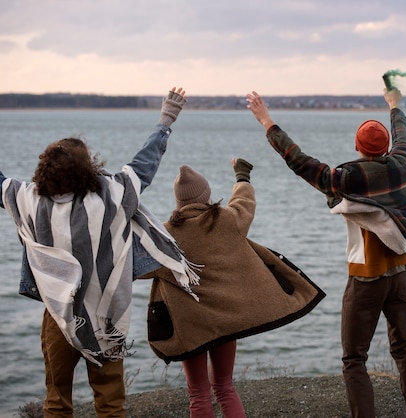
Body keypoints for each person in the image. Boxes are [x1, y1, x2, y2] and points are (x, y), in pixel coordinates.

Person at [246, 87, 406, 418]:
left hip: (366, 280)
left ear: (357, 147)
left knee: (354, 358)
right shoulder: (402, 166)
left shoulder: (346, 179)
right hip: (401, 277)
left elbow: (299, 160)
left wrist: (267, 121)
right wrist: (395, 106)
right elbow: (403, 136)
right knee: (404, 349)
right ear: (387, 148)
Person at [1, 87, 197, 417]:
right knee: (110, 403)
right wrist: (166, 119)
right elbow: (145, 162)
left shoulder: (28, 200)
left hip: (59, 317)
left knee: (56, 400)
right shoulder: (111, 196)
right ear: (86, 169)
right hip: (107, 318)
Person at [142, 160, 325, 418]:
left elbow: (138, 267)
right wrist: (242, 175)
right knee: (225, 387)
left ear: (178, 201)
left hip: (190, 325)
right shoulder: (226, 220)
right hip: (228, 321)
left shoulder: (165, 236)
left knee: (198, 394)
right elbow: (244, 202)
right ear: (205, 195)